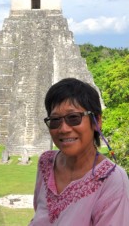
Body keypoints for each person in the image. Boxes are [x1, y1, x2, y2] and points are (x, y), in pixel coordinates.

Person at [29, 77, 129, 225]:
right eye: (55, 120)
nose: (63, 129)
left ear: (97, 121)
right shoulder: (46, 162)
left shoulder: (112, 181)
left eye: (73, 117)